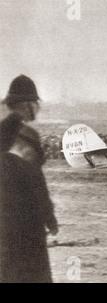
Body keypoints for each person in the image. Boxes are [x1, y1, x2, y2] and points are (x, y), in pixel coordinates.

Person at [0, 77, 58, 282]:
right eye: (35, 104)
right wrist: (49, 217)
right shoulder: (27, 135)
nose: (37, 109)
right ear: (27, 105)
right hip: (28, 224)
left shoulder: (2, 132)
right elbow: (37, 183)